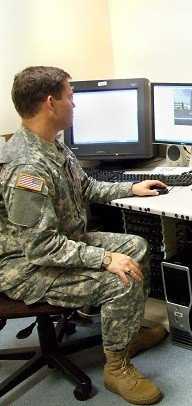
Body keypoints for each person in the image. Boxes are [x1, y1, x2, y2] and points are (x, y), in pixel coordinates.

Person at [0, 66, 168, 405]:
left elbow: (86, 187)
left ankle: (125, 333)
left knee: (135, 245)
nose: (74, 104)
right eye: (70, 96)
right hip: (26, 268)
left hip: (62, 244)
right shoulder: (27, 168)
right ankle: (117, 368)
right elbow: (41, 248)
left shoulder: (52, 145)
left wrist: (131, 188)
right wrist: (105, 259)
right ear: (51, 103)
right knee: (121, 278)